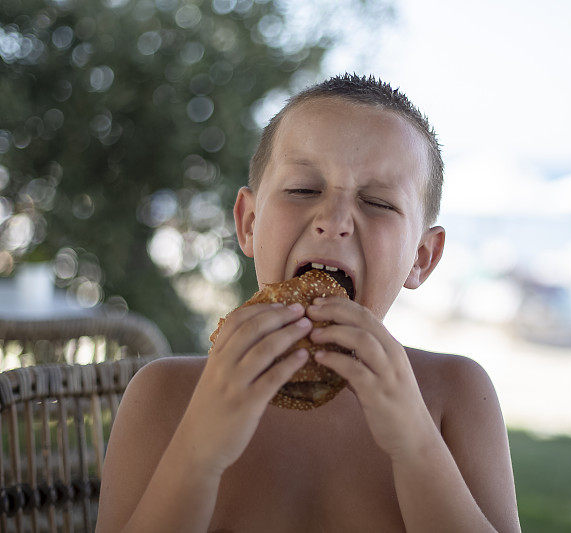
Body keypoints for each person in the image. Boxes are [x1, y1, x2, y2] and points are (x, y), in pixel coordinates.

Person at [96, 73, 521, 532]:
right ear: (249, 223)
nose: (334, 220)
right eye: (303, 190)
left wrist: (415, 444)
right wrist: (199, 452)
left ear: (422, 257)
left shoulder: (454, 396)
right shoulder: (165, 396)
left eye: (378, 202)